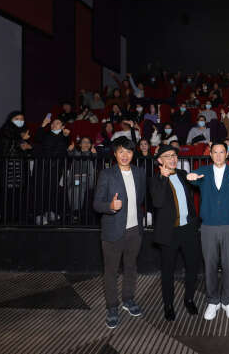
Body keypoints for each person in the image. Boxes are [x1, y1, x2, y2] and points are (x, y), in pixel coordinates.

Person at [186, 142, 229, 320]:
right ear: (210, 154)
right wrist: (191, 177)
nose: (219, 155)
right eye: (215, 152)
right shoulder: (204, 171)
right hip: (208, 227)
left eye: (222, 152)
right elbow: (194, 178)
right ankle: (212, 301)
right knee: (210, 265)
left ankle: (228, 300)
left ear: (227, 154)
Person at [93, 137, 146, 329]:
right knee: (111, 271)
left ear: (133, 154)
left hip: (134, 230)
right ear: (115, 154)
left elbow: (140, 199)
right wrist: (110, 206)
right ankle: (112, 307)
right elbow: (96, 204)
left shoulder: (139, 173)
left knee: (131, 267)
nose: (125, 155)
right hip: (113, 230)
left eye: (129, 151)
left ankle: (128, 299)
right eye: (121, 151)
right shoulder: (107, 174)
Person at [149, 145, 202, 321]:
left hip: (188, 229)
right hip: (169, 232)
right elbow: (157, 202)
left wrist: (197, 180)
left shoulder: (182, 174)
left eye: (174, 155)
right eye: (167, 156)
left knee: (192, 267)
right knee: (168, 271)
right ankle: (168, 305)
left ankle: (189, 299)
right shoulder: (155, 180)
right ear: (160, 160)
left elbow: (192, 194)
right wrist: (164, 178)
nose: (172, 158)